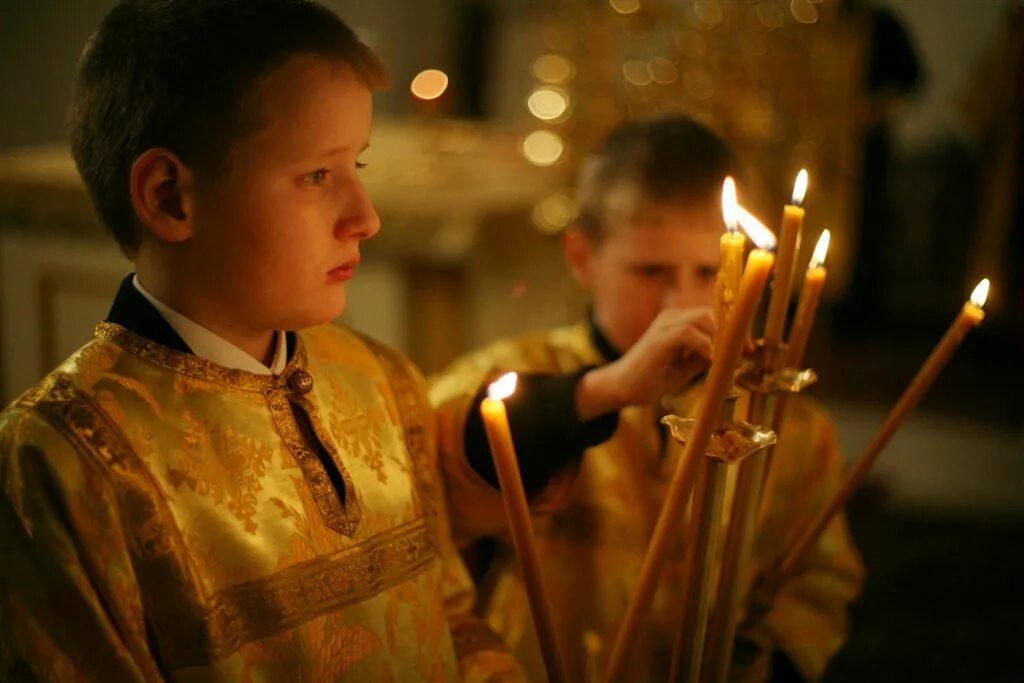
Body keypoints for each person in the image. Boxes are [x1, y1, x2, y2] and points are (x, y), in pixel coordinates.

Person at [0, 1, 520, 680]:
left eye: (357, 165)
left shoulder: (383, 378)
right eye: (317, 176)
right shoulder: (62, 461)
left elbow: (445, 611)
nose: (365, 217)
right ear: (169, 197)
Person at [431, 115, 864, 681]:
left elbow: (817, 582)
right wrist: (596, 395)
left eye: (710, 271)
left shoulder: (788, 424)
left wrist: (770, 661)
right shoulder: (501, 377)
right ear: (582, 258)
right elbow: (438, 502)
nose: (678, 303)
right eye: (649, 270)